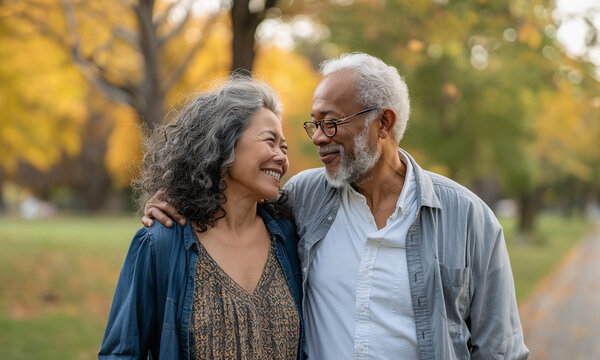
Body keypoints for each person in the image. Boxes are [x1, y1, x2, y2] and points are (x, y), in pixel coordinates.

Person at [144, 53, 529, 359]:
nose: (318, 139)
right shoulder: (303, 197)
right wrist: (174, 199)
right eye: (314, 124)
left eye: (330, 122)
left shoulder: (469, 219)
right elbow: (232, 207)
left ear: (383, 123)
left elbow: (501, 350)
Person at [100, 76, 303, 360]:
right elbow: (121, 353)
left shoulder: (290, 240)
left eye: (284, 148)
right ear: (224, 142)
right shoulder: (161, 243)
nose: (282, 158)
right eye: (270, 141)